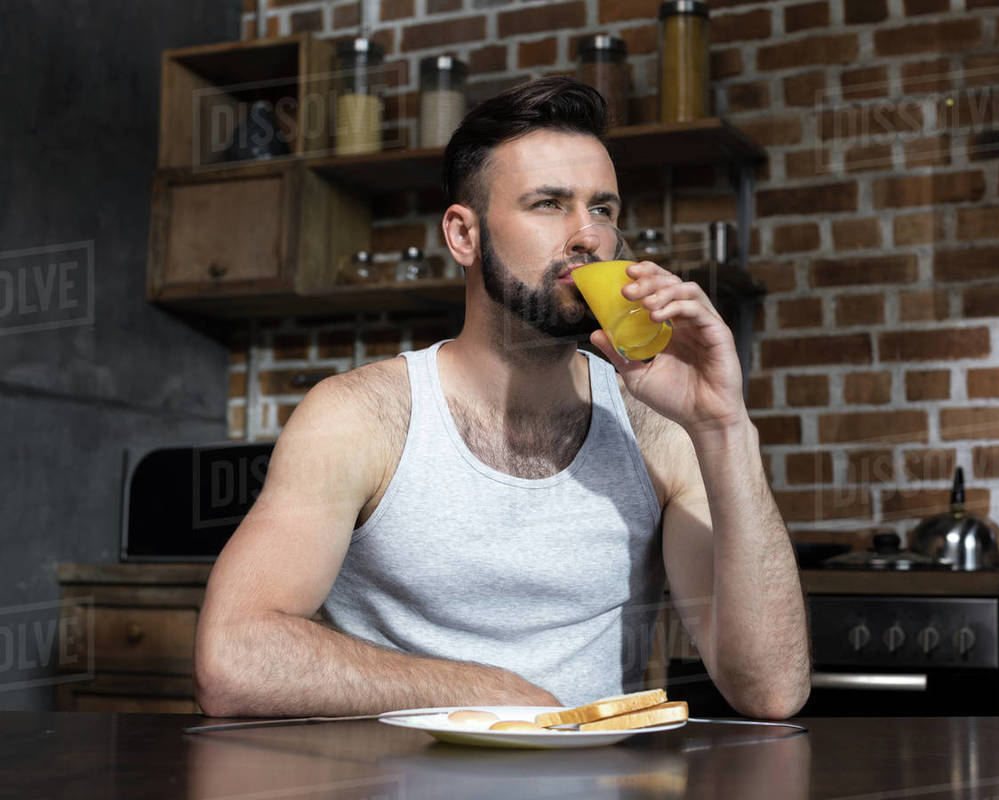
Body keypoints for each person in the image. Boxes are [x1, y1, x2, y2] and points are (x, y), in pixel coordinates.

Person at [194, 76, 809, 719]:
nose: (589, 236)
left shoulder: (657, 426)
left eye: (603, 209)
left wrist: (724, 426)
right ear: (464, 236)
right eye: (549, 204)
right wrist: (489, 695)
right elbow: (233, 657)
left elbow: (770, 692)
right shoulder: (359, 417)